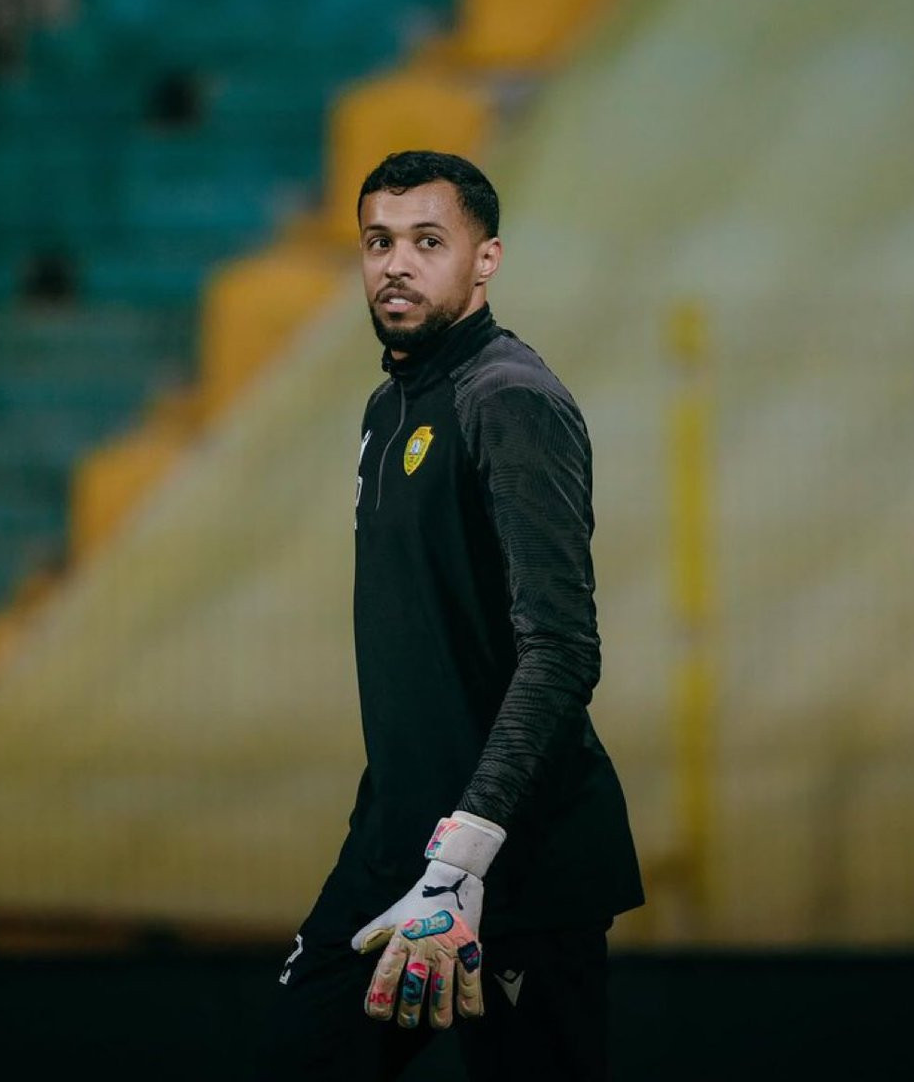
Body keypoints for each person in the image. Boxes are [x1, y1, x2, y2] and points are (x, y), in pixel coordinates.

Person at [264, 150, 643, 1081]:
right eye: (378, 242)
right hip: (393, 849)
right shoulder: (389, 406)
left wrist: (463, 856)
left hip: (517, 868)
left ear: (485, 260)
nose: (396, 264)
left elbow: (561, 651)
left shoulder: (508, 399)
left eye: (427, 242)